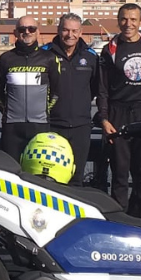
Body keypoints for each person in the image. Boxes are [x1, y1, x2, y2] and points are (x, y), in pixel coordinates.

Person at [98, 3, 141, 219]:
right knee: (120, 173)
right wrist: (105, 119)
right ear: (118, 21)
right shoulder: (110, 50)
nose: (129, 24)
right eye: (124, 19)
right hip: (119, 113)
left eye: (133, 19)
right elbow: (103, 89)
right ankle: (118, 220)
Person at [42, 13, 99, 186]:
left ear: (81, 32)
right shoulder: (45, 54)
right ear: (58, 30)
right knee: (50, 178)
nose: (70, 35)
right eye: (66, 30)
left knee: (76, 177)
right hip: (51, 125)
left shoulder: (90, 56)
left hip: (80, 127)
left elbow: (97, 88)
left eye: (74, 31)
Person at [0, 16, 60, 160]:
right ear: (15, 33)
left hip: (40, 126)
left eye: (31, 28)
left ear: (38, 32)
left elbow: (56, 92)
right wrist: (6, 110)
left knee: (36, 171)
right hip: (12, 126)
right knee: (10, 171)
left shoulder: (49, 58)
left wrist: (45, 110)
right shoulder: (6, 59)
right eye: (22, 29)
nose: (27, 32)